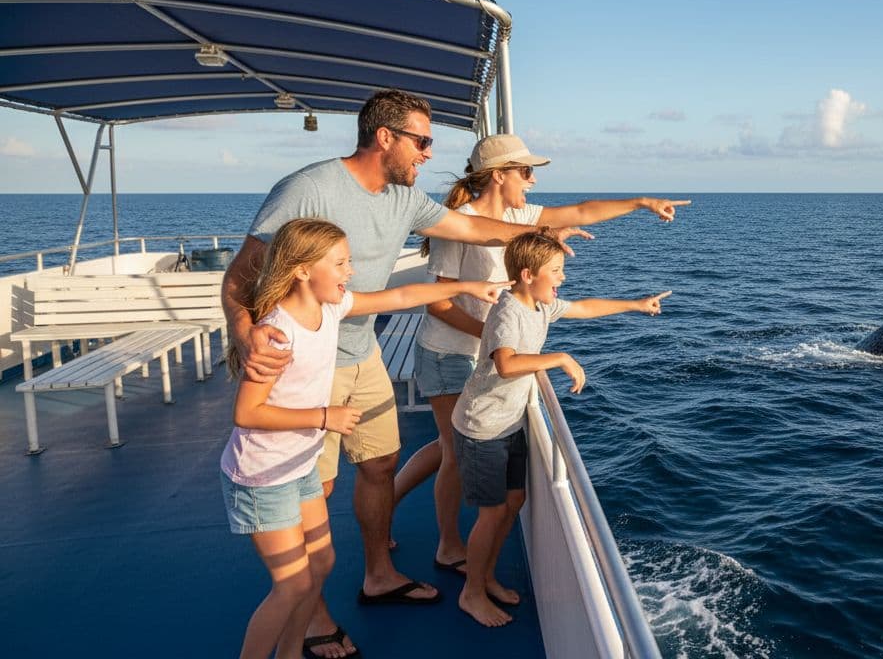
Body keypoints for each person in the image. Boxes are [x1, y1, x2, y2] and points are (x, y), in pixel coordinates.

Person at [221, 89, 585, 659]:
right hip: (305, 370)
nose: (429, 153)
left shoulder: (402, 199)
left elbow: (474, 233)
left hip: (360, 349)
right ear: (384, 136)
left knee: (381, 463)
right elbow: (240, 276)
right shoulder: (307, 189)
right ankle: (311, 615)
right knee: (315, 491)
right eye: (422, 141)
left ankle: (379, 574)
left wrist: (535, 243)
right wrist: (246, 337)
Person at [392, 132, 690, 574]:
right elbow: (439, 303)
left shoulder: (524, 216)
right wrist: (497, 340)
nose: (532, 182)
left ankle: (389, 500)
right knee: (453, 449)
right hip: (449, 351)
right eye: (525, 172)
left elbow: (583, 210)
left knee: (448, 445)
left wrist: (643, 202)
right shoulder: (459, 223)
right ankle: (447, 545)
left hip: (486, 353)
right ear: (498, 176)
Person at [219, 217, 510, 659]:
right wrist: (324, 416)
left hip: (298, 467)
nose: (349, 271)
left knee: (322, 564)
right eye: (339, 263)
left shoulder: (328, 309)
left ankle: (291, 652)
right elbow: (247, 412)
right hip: (264, 476)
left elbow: (401, 295)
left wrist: (465, 288)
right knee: (293, 582)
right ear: (301, 270)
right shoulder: (279, 333)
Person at [452, 230, 671, 626]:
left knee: (513, 503)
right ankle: (471, 593)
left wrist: (635, 304)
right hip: (482, 427)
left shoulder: (539, 305)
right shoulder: (509, 312)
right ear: (526, 274)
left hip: (510, 421)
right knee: (492, 512)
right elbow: (506, 364)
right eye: (555, 270)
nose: (562, 278)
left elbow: (584, 308)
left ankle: (485, 577)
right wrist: (560, 357)